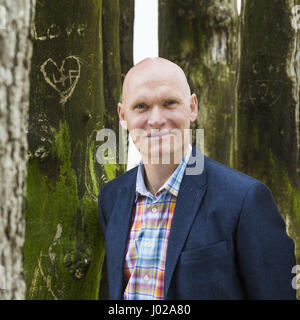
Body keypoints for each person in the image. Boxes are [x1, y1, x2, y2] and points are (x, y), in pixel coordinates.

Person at [98, 57, 296, 300]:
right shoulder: (112, 198)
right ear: (122, 116)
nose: (157, 119)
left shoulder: (245, 199)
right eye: (141, 106)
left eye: (169, 103)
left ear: (192, 108)